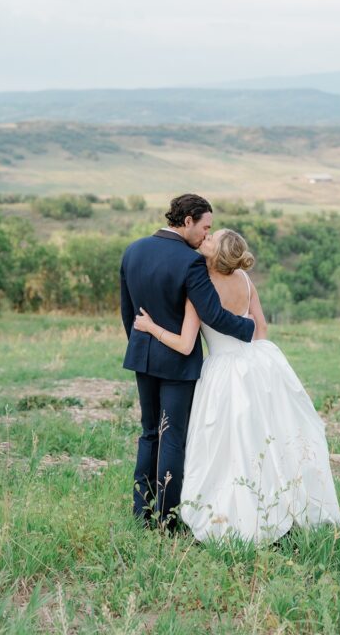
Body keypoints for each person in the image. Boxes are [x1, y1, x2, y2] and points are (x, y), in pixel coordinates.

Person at [134, 229, 340, 544]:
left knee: (224, 445)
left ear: (217, 253)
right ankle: (277, 506)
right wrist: (255, 362)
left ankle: (232, 516)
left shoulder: (200, 288)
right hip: (257, 364)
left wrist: (151, 327)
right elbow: (261, 327)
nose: (205, 239)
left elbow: (185, 344)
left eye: (211, 239)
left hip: (221, 372)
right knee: (264, 440)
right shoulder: (245, 280)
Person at [120, 194, 256, 529]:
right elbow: (213, 314)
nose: (206, 234)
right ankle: (166, 520)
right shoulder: (190, 262)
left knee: (149, 432)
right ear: (187, 221)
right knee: (173, 436)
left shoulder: (133, 250)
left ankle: (142, 512)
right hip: (177, 364)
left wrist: (140, 344)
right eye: (205, 227)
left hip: (142, 355)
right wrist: (248, 327)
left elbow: (127, 310)